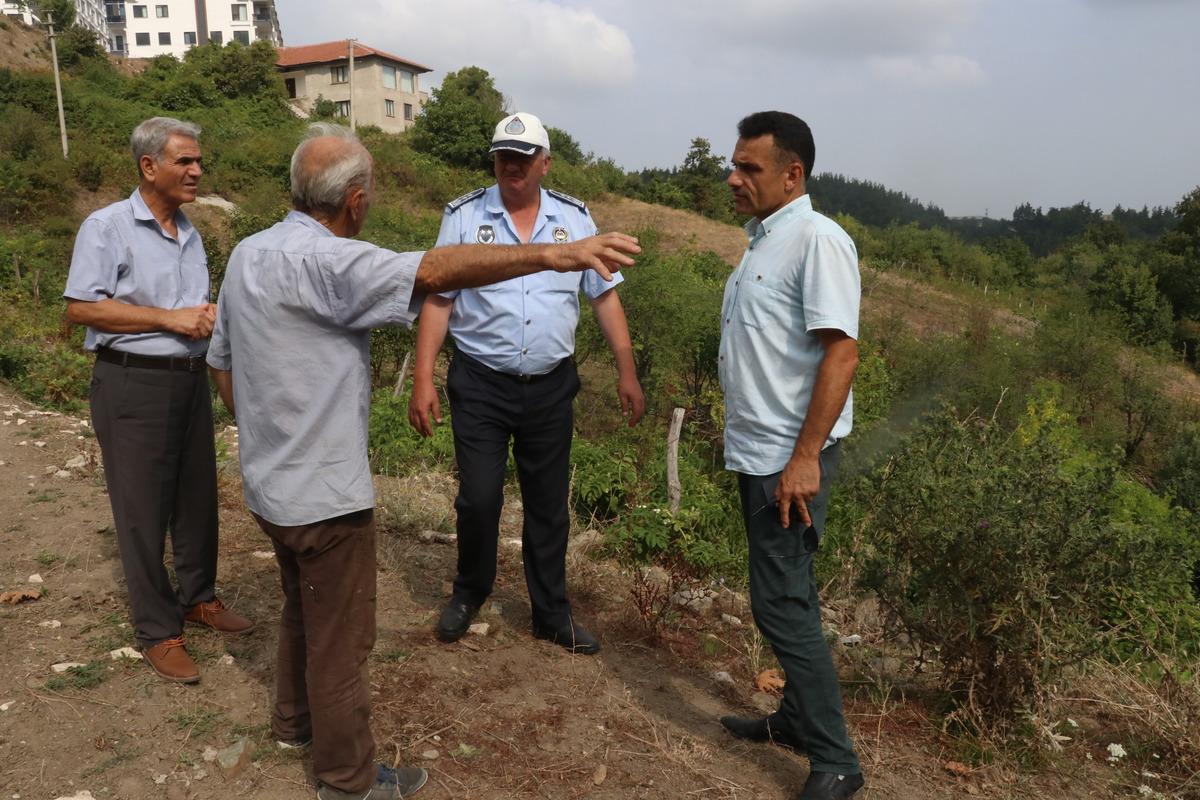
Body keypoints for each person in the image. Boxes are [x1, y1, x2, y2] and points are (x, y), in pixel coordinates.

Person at [207, 122, 639, 800]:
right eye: (369, 191)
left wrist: (264, 435)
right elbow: (435, 274)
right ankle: (348, 780)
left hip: (268, 484)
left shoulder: (248, 254)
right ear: (353, 201)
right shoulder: (331, 261)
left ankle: (293, 722)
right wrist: (557, 256)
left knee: (303, 605)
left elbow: (222, 366)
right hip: (324, 492)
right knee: (341, 640)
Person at [407, 112, 644, 656]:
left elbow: (604, 296)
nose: (511, 165)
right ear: (493, 160)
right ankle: (470, 593)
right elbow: (439, 297)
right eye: (502, 156)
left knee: (547, 504)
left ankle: (550, 611)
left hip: (549, 386)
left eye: (522, 156)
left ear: (545, 162)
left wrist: (626, 371)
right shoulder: (464, 216)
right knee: (479, 498)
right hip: (481, 382)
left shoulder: (575, 219)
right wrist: (424, 379)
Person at [63, 116, 253, 686]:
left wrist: (205, 320)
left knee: (197, 496)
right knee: (143, 510)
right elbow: (80, 307)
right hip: (132, 382)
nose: (197, 171)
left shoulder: (190, 231)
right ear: (149, 166)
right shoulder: (107, 227)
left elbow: (188, 310)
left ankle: (199, 597)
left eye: (198, 161)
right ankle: (157, 629)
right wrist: (167, 318)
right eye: (184, 162)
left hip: (188, 378)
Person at [715, 111, 865, 800]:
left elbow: (842, 351)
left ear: (791, 174)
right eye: (735, 164)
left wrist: (805, 457)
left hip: (788, 459)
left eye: (749, 167)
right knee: (789, 594)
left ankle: (836, 762)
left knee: (780, 605)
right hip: (760, 451)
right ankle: (797, 721)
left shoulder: (816, 240)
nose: (734, 177)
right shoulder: (762, 241)